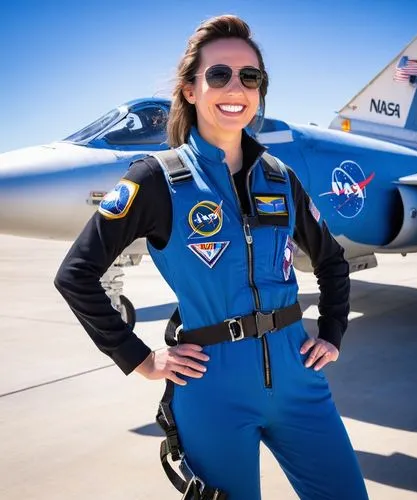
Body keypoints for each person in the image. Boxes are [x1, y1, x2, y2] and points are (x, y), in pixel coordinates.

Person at [54, 14, 369, 500]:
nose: (235, 87)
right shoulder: (155, 180)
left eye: (250, 77)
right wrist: (140, 359)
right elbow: (76, 275)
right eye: (218, 74)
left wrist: (332, 332)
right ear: (189, 89)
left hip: (299, 383)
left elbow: (331, 261)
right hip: (210, 389)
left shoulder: (281, 178)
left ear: (260, 90)